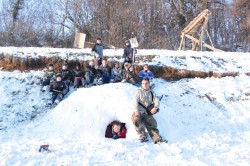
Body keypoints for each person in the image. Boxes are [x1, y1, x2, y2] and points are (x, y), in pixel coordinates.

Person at [131, 77, 168, 144]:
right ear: (141, 84)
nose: (145, 85)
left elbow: (157, 100)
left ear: (149, 84)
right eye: (143, 83)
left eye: (146, 83)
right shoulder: (138, 92)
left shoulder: (152, 92)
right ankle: (142, 136)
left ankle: (157, 138)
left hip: (147, 113)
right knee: (136, 120)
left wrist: (156, 107)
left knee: (153, 123)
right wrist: (136, 110)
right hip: (138, 112)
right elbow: (134, 101)